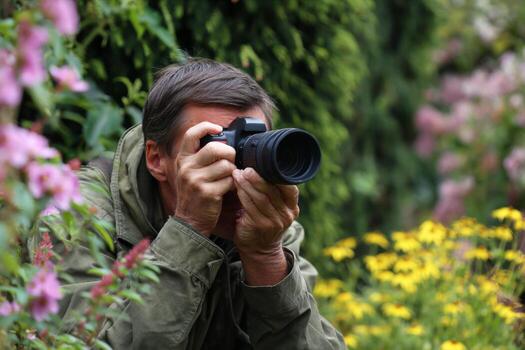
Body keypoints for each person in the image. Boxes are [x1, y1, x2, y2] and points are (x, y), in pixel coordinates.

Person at [37, 58, 345, 349]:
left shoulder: (266, 228)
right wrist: (189, 229)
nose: (235, 169)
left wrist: (266, 259)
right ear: (156, 158)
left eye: (250, 148)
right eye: (213, 148)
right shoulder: (76, 216)